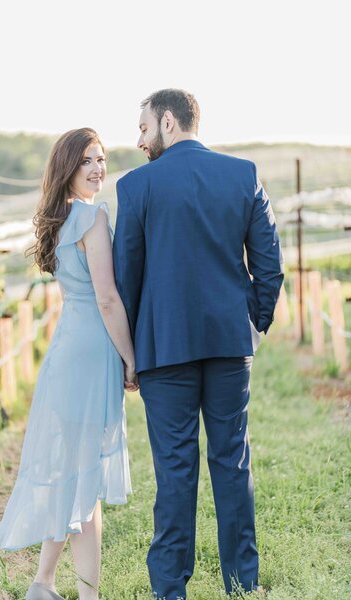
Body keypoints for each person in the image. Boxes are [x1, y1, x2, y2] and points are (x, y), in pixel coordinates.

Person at [113, 89, 284, 599]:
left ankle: (170, 590)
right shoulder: (242, 174)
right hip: (230, 343)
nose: (139, 140)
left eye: (143, 128)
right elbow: (269, 266)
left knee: (174, 470)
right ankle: (243, 585)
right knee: (232, 461)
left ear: (168, 120)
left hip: (162, 349)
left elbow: (127, 278)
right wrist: (252, 324)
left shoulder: (136, 186)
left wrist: (132, 352)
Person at [0, 128, 136, 600]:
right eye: (87, 162)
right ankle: (87, 595)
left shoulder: (59, 220)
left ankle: (43, 583)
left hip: (66, 350)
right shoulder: (92, 217)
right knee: (85, 481)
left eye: (101, 159)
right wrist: (131, 359)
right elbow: (108, 300)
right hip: (91, 353)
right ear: (68, 169)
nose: (98, 168)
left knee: (75, 474)